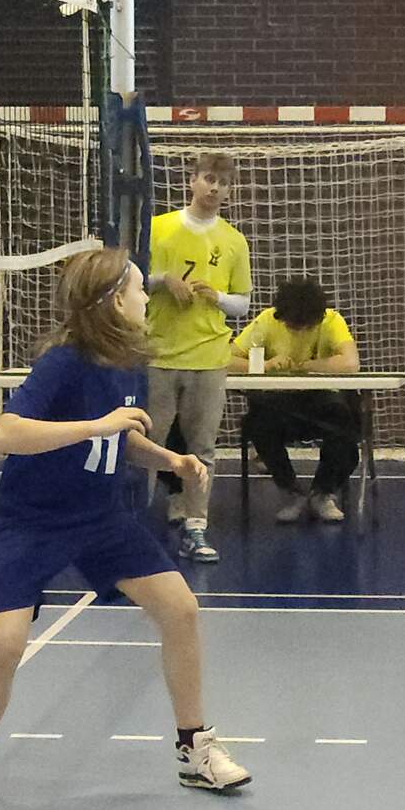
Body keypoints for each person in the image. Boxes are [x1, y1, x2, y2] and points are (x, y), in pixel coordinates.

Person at [0, 247, 251, 810]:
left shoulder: (129, 362)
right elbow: (6, 435)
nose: (146, 297)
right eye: (138, 289)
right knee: (6, 642)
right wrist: (95, 424)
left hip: (101, 519)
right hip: (33, 521)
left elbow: (118, 437)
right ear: (112, 302)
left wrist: (170, 459)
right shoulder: (63, 363)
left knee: (180, 609)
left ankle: (195, 749)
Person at [146, 152, 253, 562]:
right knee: (146, 446)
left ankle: (196, 528)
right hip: (159, 355)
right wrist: (163, 281)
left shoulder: (233, 241)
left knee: (202, 448)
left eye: (223, 183)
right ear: (192, 181)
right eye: (209, 178)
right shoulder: (158, 228)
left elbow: (242, 303)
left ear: (230, 191)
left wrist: (217, 296)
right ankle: (131, 525)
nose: (214, 188)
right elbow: (129, 277)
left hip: (208, 358)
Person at [229, 278, 362, 523]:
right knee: (258, 425)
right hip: (278, 402)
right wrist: (265, 365)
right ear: (282, 316)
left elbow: (351, 363)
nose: (299, 331)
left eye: (306, 326)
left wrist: (307, 366)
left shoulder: (332, 321)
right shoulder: (266, 320)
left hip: (323, 401)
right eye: (293, 326)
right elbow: (226, 359)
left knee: (347, 426)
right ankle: (292, 491)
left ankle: (323, 492)